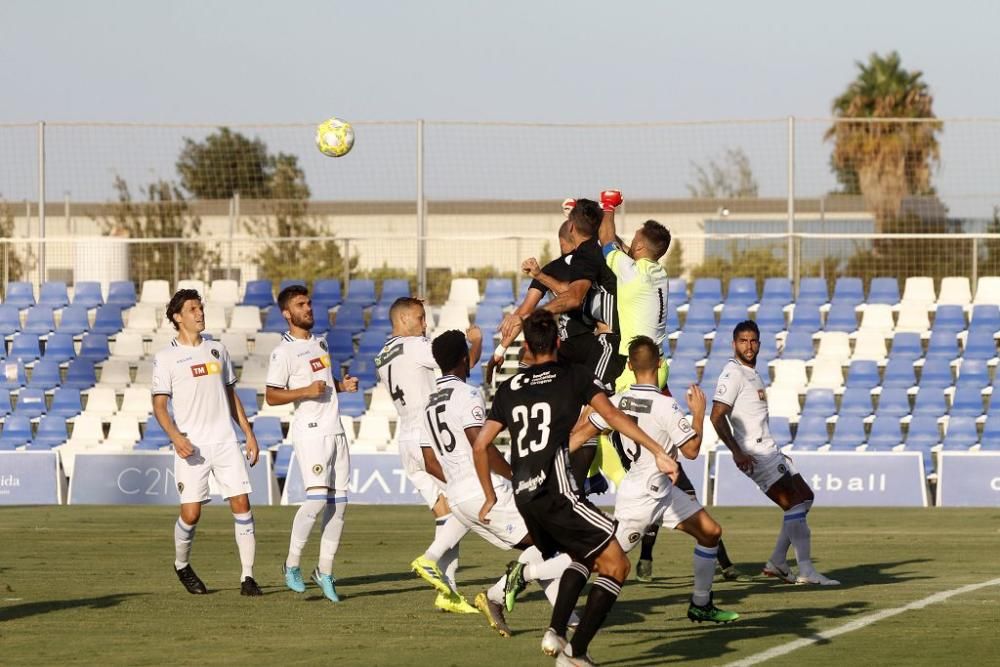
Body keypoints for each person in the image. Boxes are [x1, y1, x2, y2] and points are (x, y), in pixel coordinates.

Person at [471, 310, 679, 666]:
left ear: (528, 346)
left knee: (584, 554)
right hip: (558, 490)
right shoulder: (573, 375)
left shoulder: (510, 388)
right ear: (557, 342)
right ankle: (575, 652)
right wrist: (659, 451)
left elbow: (480, 445)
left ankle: (558, 636)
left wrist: (490, 496)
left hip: (525, 496)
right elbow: (613, 417)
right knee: (616, 565)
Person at [569, 336, 740, 623]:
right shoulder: (665, 405)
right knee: (602, 559)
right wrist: (698, 414)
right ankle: (529, 572)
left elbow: (580, 434)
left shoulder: (616, 400)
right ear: (660, 364)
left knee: (710, 532)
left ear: (629, 366)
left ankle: (701, 603)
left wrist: (549, 460)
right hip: (644, 497)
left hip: (660, 489)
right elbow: (692, 450)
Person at [423, 330, 576, 638]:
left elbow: (429, 459)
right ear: (464, 359)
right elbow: (482, 444)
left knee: (542, 544)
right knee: (559, 539)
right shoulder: (465, 394)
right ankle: (495, 596)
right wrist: (513, 475)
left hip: (457, 497)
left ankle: (568, 617)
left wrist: (459, 482)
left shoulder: (429, 403)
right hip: (484, 491)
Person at [374, 296, 483, 613]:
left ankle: (447, 593)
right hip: (427, 437)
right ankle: (431, 560)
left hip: (405, 440)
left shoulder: (383, 353)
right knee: (469, 502)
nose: (425, 325)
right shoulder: (416, 346)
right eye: (420, 318)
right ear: (404, 320)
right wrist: (476, 341)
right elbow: (463, 366)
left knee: (447, 512)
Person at [710, 320, 840, 586]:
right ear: (734, 343)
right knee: (793, 504)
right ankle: (805, 570)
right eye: (743, 341)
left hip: (770, 449)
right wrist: (736, 452)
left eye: (753, 340)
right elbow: (716, 417)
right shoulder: (732, 373)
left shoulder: (752, 372)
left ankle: (778, 562)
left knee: (805, 497)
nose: (749, 346)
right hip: (755, 453)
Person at [152, 289, 261, 596]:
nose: (200, 314)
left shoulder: (217, 350)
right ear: (177, 317)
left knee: (242, 503)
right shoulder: (166, 358)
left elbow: (230, 394)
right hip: (193, 445)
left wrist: (248, 433)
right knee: (192, 513)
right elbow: (160, 406)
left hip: (225, 441)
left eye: (201, 308)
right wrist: (175, 437)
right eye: (192, 309)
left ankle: (247, 577)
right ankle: (181, 564)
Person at [265, 285, 359, 603]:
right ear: (287, 314)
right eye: (300, 305)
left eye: (308, 303)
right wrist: (305, 391)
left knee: (340, 505)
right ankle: (291, 564)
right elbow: (272, 394)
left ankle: (325, 571)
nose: (308, 308)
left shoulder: (320, 342)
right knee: (317, 501)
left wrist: (340, 386)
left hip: (336, 430)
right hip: (311, 432)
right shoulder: (283, 352)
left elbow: (323, 384)